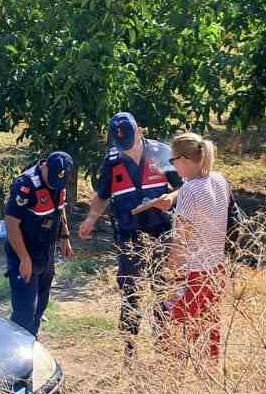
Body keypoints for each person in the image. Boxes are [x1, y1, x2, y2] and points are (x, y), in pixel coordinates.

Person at [77, 112, 181, 354]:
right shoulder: (112, 160)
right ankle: (130, 349)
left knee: (161, 289)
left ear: (140, 131)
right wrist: (91, 218)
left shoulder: (161, 152)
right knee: (130, 290)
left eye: (130, 142)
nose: (126, 149)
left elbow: (183, 188)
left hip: (161, 233)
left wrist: (170, 198)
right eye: (120, 144)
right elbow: (102, 196)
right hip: (129, 235)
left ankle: (163, 347)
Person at [147, 132, 230, 359]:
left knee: (174, 333)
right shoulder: (219, 180)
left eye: (173, 161)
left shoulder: (190, 191)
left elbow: (181, 240)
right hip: (216, 268)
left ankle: (173, 384)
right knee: (209, 329)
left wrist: (171, 275)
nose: (173, 167)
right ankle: (207, 380)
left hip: (194, 272)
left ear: (184, 160)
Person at [3, 151, 74, 337]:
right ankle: (16, 351)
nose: (54, 185)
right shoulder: (25, 186)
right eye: (51, 179)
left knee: (40, 305)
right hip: (23, 251)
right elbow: (11, 223)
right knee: (24, 312)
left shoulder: (59, 181)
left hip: (45, 250)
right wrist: (24, 258)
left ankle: (32, 342)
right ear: (44, 166)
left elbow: (60, 209)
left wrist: (65, 236)